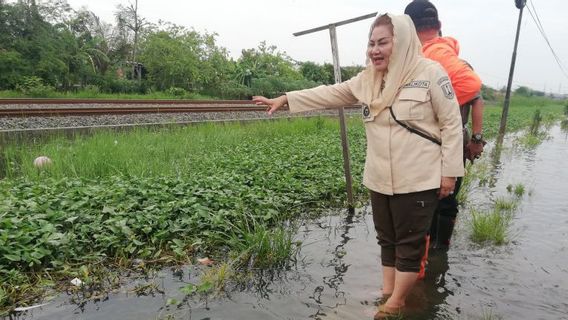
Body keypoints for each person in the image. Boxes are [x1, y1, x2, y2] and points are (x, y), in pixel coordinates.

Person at [252, 13, 464, 318]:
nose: (374, 50)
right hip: (379, 177)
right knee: (387, 240)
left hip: (418, 177)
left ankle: (396, 303)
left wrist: (450, 174)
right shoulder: (368, 80)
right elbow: (329, 92)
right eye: (371, 43)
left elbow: (452, 124)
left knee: (409, 242)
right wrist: (287, 98)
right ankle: (388, 293)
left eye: (383, 43)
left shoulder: (430, 72)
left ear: (401, 42)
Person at [404, 0, 486, 252]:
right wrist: (476, 139)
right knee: (447, 199)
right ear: (439, 25)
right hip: (455, 142)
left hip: (424, 143)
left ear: (408, 29)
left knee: (419, 200)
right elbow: (477, 97)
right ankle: (439, 254)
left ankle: (424, 257)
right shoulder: (460, 66)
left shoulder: (414, 62)